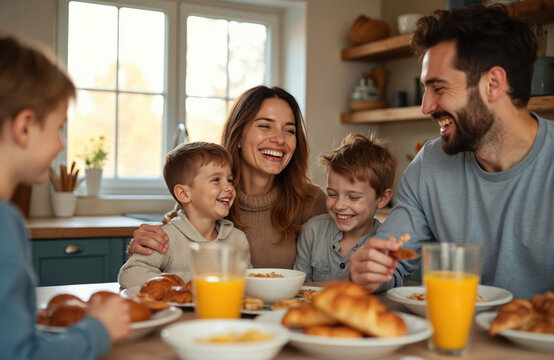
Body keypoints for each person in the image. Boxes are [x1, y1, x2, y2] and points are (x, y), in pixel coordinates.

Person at [349, 4, 554, 299]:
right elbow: (389, 265)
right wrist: (370, 270)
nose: (426, 107)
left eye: (439, 88)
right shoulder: (428, 166)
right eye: (425, 89)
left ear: (493, 84)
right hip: (451, 339)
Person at [0, 35, 130, 359]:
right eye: (59, 128)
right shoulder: (4, 222)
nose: (60, 145)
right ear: (25, 127)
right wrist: (97, 330)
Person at [127, 86, 327, 268]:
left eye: (289, 130)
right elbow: (168, 249)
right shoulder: (212, 195)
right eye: (265, 126)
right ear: (239, 135)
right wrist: (146, 244)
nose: (279, 138)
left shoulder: (311, 201)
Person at [118, 142, 250, 289]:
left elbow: (250, 284)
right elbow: (129, 274)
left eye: (229, 180)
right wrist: (179, 288)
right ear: (184, 194)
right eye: (216, 180)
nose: (229, 187)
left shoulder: (238, 239)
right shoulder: (167, 237)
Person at [294, 133, 397, 282]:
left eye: (354, 197)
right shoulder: (311, 232)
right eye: (332, 194)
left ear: (382, 198)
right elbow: (298, 287)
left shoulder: (385, 243)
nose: (339, 205)